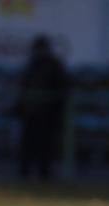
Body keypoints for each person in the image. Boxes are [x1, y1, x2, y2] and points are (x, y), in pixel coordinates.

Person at [16, 35, 69, 182]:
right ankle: (25, 171)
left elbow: (62, 88)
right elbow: (23, 87)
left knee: (46, 145)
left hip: (47, 113)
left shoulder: (54, 66)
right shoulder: (31, 65)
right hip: (31, 112)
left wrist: (56, 110)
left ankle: (43, 172)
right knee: (28, 144)